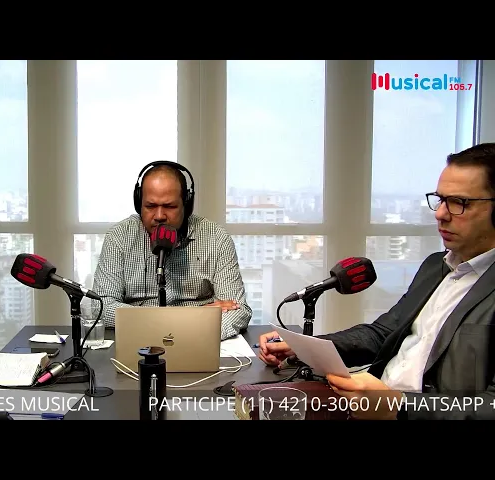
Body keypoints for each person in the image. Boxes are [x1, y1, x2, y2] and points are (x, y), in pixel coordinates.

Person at [258, 142, 495, 420]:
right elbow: (381, 334)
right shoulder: (436, 266)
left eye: (459, 203)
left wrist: (398, 406)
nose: (440, 213)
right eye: (441, 199)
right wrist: (304, 347)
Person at [92, 160, 252, 340]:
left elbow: (237, 309)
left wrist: (175, 330)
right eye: (150, 206)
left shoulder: (216, 238)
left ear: (187, 205)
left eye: (169, 207)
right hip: (143, 339)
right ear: (139, 204)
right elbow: (101, 307)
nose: (159, 216)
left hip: (197, 341)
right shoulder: (119, 236)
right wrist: (189, 318)